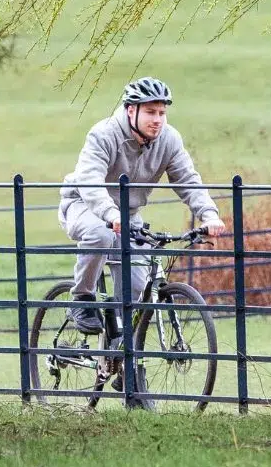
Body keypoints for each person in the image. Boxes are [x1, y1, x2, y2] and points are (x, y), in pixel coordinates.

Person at [58, 76, 225, 334]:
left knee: (137, 285)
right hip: (84, 204)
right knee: (100, 234)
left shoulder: (169, 139)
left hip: (128, 215)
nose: (157, 119)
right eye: (150, 112)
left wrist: (209, 214)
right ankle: (81, 299)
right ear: (130, 110)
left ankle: (118, 348)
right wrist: (111, 214)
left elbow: (187, 180)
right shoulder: (104, 134)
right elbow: (89, 180)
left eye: (161, 112)